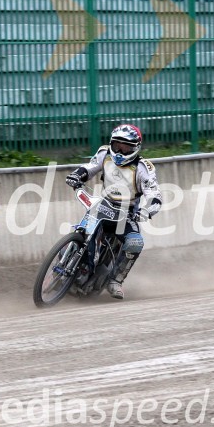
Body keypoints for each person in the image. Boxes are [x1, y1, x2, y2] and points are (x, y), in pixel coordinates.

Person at [64, 124, 162, 300]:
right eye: (118, 145)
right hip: (102, 205)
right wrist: (76, 175)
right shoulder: (104, 153)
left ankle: (115, 280)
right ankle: (67, 258)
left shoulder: (143, 168)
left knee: (135, 243)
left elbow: (154, 194)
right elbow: (90, 167)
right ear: (111, 143)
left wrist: (147, 211)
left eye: (126, 147)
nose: (121, 151)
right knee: (84, 230)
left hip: (127, 213)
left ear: (136, 147)